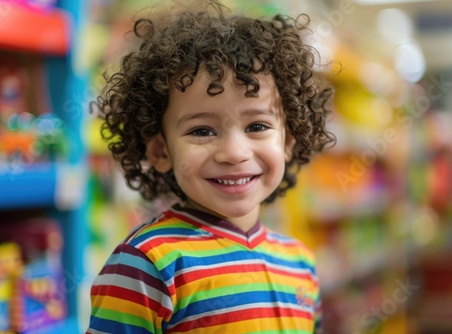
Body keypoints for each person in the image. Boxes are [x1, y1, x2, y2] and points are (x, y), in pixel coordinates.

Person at [87, 1, 336, 333]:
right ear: (161, 150)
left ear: (289, 141)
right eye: (202, 131)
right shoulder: (146, 264)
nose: (234, 152)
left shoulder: (300, 263)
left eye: (257, 126)